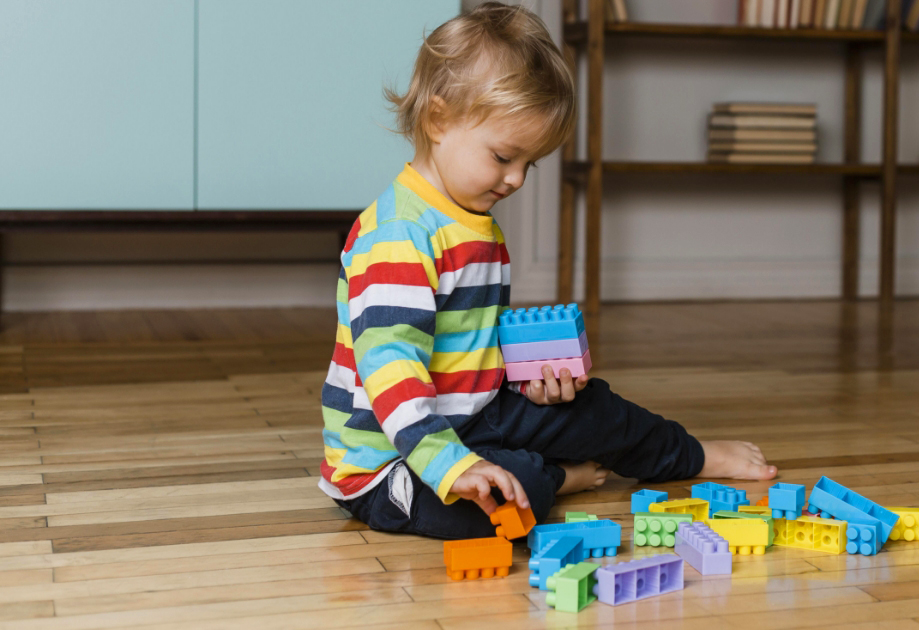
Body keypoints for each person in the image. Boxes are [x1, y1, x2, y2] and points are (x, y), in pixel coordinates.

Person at [319, 2, 776, 540]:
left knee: (595, 408)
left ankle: (690, 454)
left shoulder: (471, 218)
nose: (516, 179)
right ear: (438, 121)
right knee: (506, 499)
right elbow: (392, 370)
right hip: (393, 460)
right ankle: (553, 477)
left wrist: (529, 382)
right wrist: (452, 466)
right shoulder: (399, 235)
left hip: (473, 415)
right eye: (503, 157)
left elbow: (472, 345)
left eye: (528, 164)